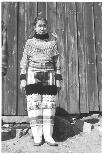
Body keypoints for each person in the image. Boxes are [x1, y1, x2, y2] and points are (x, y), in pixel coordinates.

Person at [20, 16, 62, 146]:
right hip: (33, 76)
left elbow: (57, 62)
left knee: (49, 106)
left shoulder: (52, 43)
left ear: (47, 27)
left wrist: (58, 79)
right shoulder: (29, 43)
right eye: (39, 25)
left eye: (44, 25)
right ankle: (37, 136)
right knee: (34, 106)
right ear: (35, 27)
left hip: (49, 76)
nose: (42, 28)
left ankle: (48, 135)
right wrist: (23, 79)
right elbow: (24, 62)